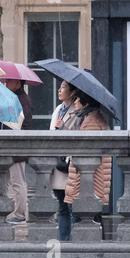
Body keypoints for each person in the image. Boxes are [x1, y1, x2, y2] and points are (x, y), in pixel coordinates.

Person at [64, 90, 112, 225]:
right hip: (93, 184)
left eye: (77, 99)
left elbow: (85, 157)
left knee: (83, 224)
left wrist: (73, 191)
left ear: (86, 102)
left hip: (87, 186)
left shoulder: (91, 122)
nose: (75, 102)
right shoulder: (93, 118)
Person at [49, 80, 82, 240]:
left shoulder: (77, 110)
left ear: (72, 92)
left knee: (72, 206)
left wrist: (63, 128)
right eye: (60, 87)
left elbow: (78, 135)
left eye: (63, 87)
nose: (59, 90)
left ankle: (71, 240)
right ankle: (63, 240)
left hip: (70, 164)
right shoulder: (58, 110)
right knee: (62, 205)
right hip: (57, 162)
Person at [0, 79, 32, 224]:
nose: (6, 84)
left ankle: (20, 213)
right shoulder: (16, 97)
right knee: (14, 180)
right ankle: (17, 211)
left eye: (9, 81)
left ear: (18, 83)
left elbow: (21, 123)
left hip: (17, 145)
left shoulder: (21, 99)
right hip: (14, 144)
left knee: (18, 180)